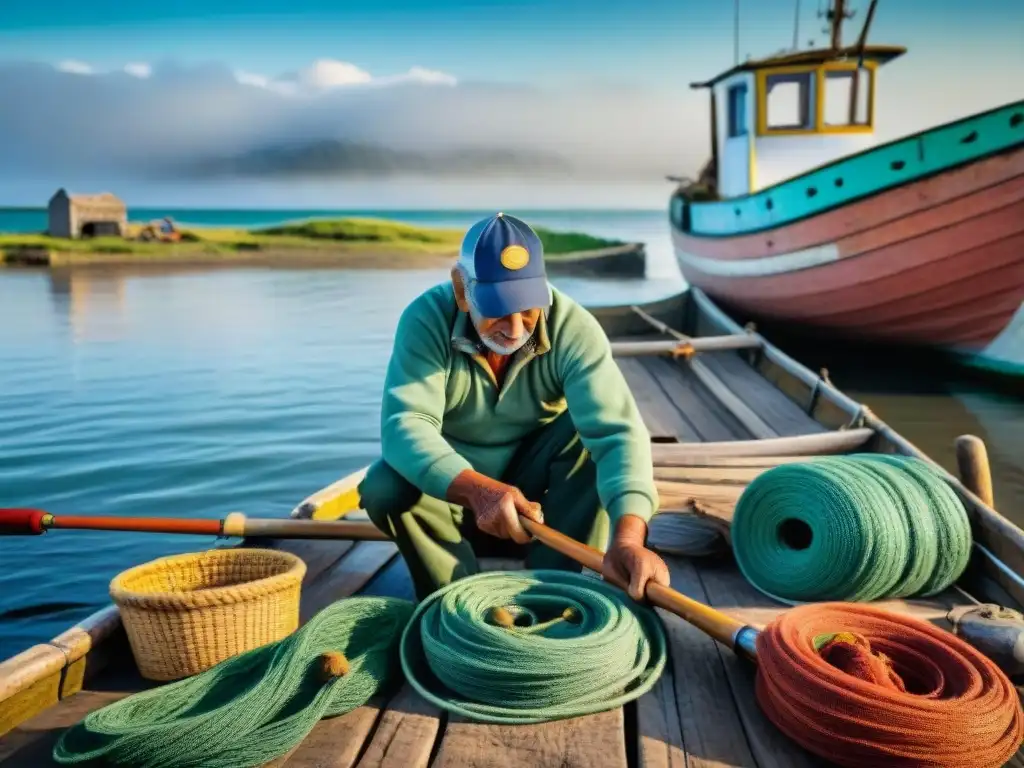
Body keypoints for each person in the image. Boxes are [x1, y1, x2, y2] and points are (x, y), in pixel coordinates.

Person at [359, 212, 670, 602]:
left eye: (528, 307)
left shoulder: (574, 327)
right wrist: (480, 492)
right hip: (455, 501)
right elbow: (405, 425)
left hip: (541, 514)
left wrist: (627, 538)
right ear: (461, 289)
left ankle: (558, 590)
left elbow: (618, 436)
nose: (516, 328)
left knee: (585, 433)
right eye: (498, 309)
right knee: (385, 487)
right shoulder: (425, 320)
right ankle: (448, 595)